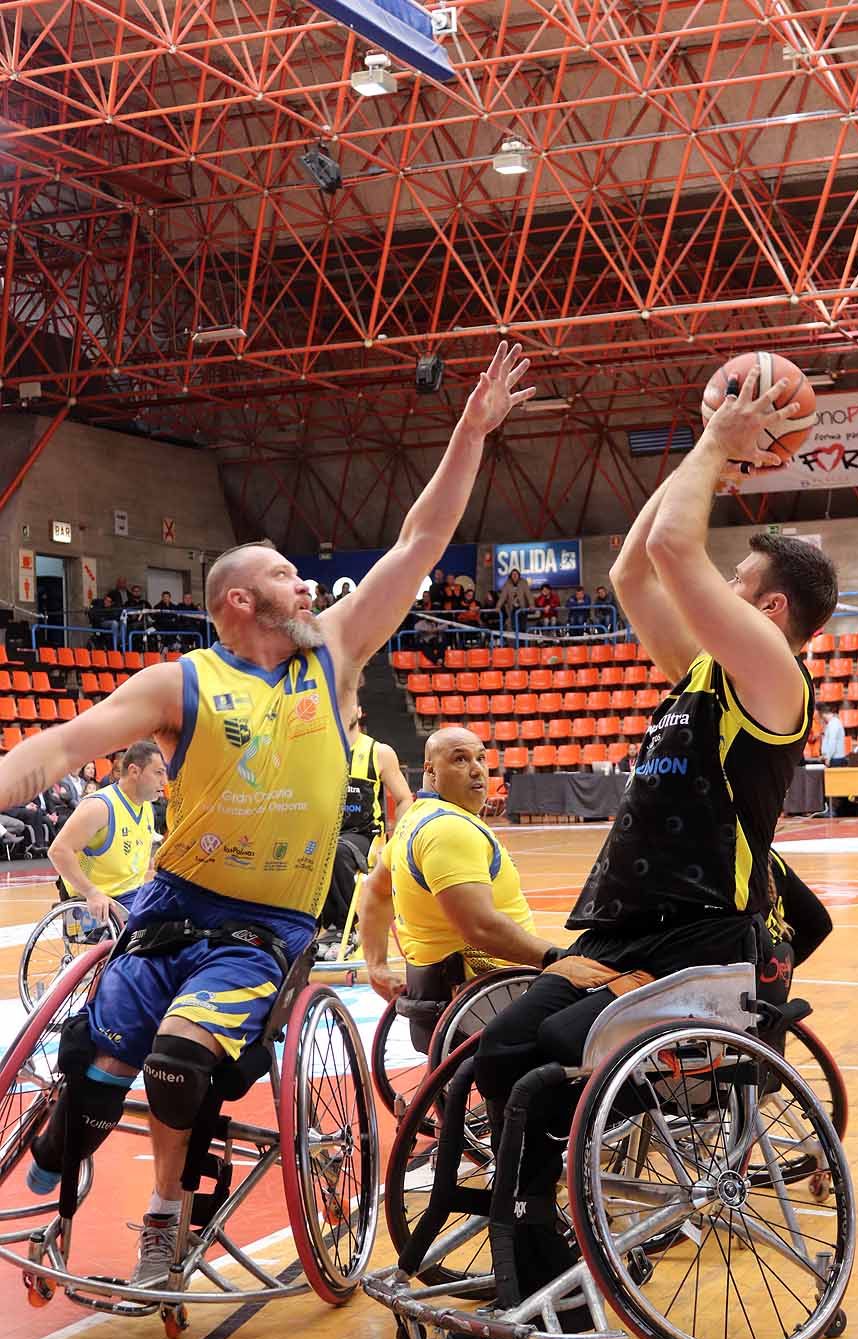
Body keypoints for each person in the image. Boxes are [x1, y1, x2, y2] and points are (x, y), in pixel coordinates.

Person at [0, 339, 533, 1288]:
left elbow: (418, 542)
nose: (308, 586)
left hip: (267, 925)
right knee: (96, 1073)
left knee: (179, 1057)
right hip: (173, 909)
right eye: (289, 576)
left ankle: (163, 1216)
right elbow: (58, 748)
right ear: (241, 600)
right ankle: (60, 1141)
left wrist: (471, 431)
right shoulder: (178, 682)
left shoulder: (334, 655)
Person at [473, 364, 839, 1305]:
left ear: (770, 612)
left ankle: (552, 1240)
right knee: (501, 1050)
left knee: (550, 1066)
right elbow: (635, 568)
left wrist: (718, 445)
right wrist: (708, 449)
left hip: (706, 938)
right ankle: (537, 1237)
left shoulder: (775, 678)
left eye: (738, 580)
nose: (718, 586)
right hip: (628, 930)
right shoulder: (702, 674)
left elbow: (677, 551)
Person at [358, 726, 598, 1046]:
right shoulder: (448, 829)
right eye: (460, 759)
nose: (477, 770)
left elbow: (375, 891)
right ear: (430, 770)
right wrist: (557, 959)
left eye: (481, 758)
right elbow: (480, 928)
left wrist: (376, 965)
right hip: (494, 996)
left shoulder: (414, 819)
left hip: (449, 991)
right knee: (613, 1006)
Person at [317, 704, 413, 957]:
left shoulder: (378, 752)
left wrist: (396, 842)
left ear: (359, 711)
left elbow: (404, 798)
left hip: (364, 835)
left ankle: (343, 928)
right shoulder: (318, 750)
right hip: (325, 833)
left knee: (336, 852)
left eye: (348, 704)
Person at [46, 741, 166, 924]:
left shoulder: (146, 806)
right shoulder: (100, 806)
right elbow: (58, 851)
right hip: (100, 901)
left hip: (131, 894)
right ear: (134, 771)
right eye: (158, 773)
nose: (164, 781)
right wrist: (91, 893)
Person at [497, 568, 533, 635]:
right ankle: (517, 640)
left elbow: (529, 595)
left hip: (522, 608)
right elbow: (502, 597)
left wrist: (531, 605)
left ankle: (522, 641)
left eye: (516, 574)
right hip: (513, 608)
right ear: (510, 576)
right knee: (514, 627)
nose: (514, 576)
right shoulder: (507, 584)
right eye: (513, 574)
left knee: (522, 627)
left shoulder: (523, 582)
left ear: (519, 575)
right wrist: (498, 606)